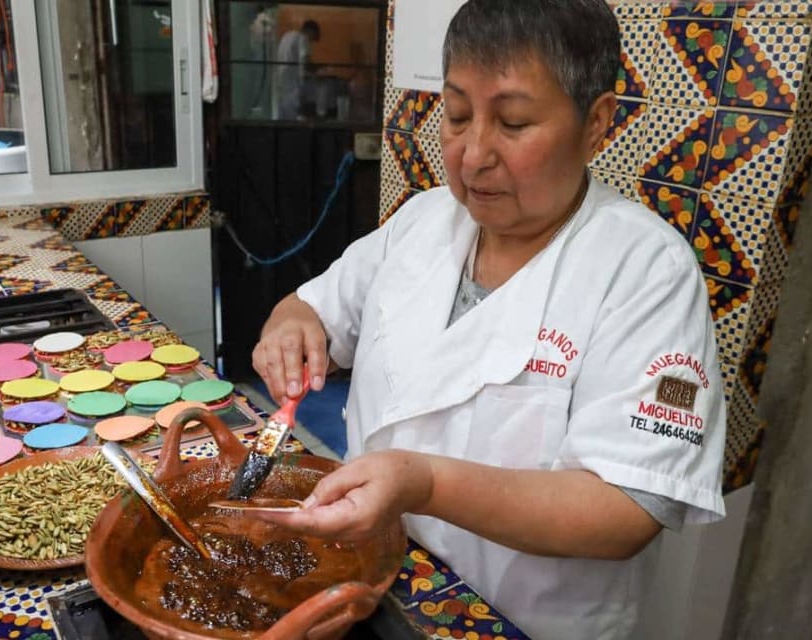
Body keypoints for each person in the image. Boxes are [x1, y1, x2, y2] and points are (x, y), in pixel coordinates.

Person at [249, 1, 726, 638]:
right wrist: (290, 325)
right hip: (374, 590)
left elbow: (626, 511)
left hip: (524, 622)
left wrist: (421, 483)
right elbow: (313, 306)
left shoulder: (646, 271)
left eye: (514, 122)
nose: (473, 155)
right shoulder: (422, 222)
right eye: (456, 115)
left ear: (596, 124)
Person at [272, 19, 320, 119]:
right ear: (310, 31)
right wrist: (318, 71)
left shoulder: (286, 36)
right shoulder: (303, 38)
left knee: (281, 118)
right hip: (292, 86)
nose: (311, 41)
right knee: (292, 120)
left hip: (279, 84)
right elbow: (306, 63)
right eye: (313, 37)